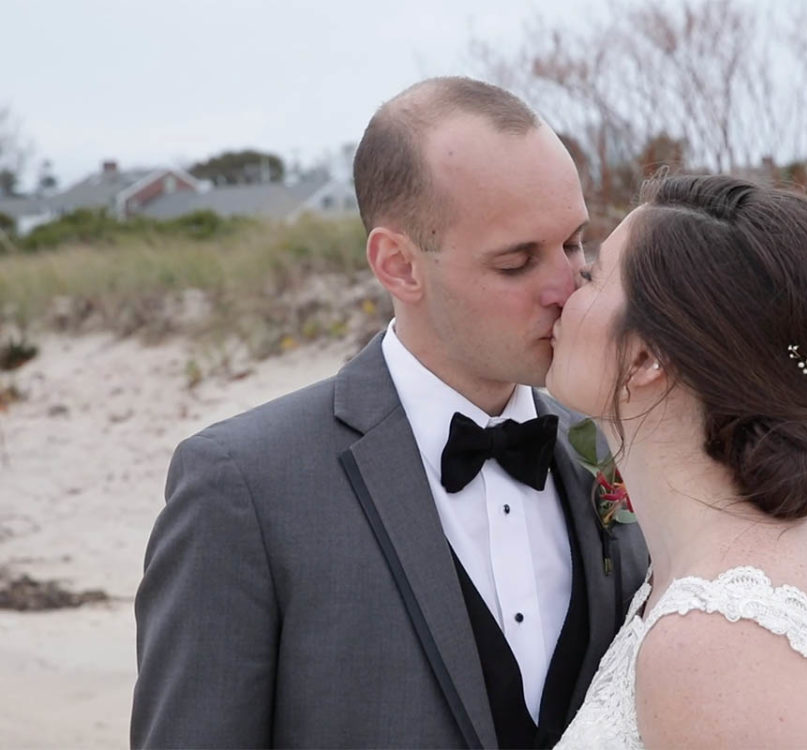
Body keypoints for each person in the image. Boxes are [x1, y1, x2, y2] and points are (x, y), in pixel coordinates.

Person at [131, 77, 648, 749]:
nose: (566, 286)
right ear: (399, 266)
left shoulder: (612, 448)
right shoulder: (242, 488)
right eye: (517, 261)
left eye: (574, 244)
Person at [549, 174, 807, 749]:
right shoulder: (718, 582)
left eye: (594, 275)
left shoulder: (717, 644)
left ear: (647, 357)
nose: (567, 288)